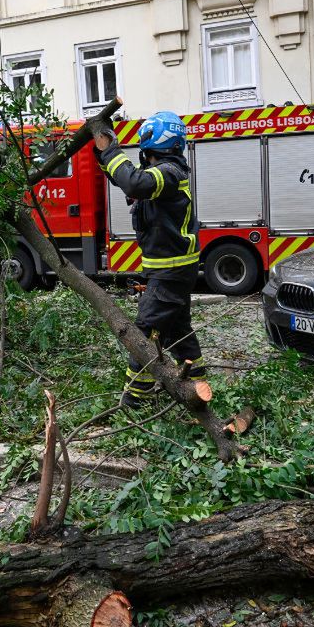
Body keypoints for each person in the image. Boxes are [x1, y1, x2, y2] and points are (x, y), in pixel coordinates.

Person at [92, 111, 207, 407]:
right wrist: (103, 152)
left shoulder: (169, 172)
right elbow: (126, 180)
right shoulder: (164, 173)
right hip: (173, 270)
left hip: (171, 272)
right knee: (178, 329)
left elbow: (134, 184)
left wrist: (113, 151)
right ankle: (197, 380)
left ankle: (135, 400)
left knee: (144, 332)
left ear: (154, 141)